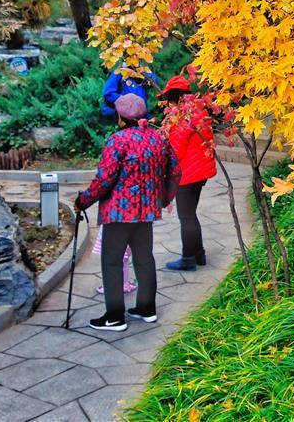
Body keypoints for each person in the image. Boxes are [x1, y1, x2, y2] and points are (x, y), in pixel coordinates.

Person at [74, 93, 180, 331]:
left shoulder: (118, 140)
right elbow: (175, 172)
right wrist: (163, 199)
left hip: (119, 214)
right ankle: (146, 308)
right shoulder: (158, 138)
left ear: (121, 117)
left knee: (111, 262)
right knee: (144, 259)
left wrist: (83, 201)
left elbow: (104, 180)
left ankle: (114, 317)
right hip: (146, 213)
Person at [158, 75, 217, 272]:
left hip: (188, 173)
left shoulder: (185, 115)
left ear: (175, 97)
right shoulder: (198, 109)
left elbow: (176, 147)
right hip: (198, 172)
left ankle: (188, 259)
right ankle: (199, 254)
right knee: (190, 214)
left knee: (186, 217)